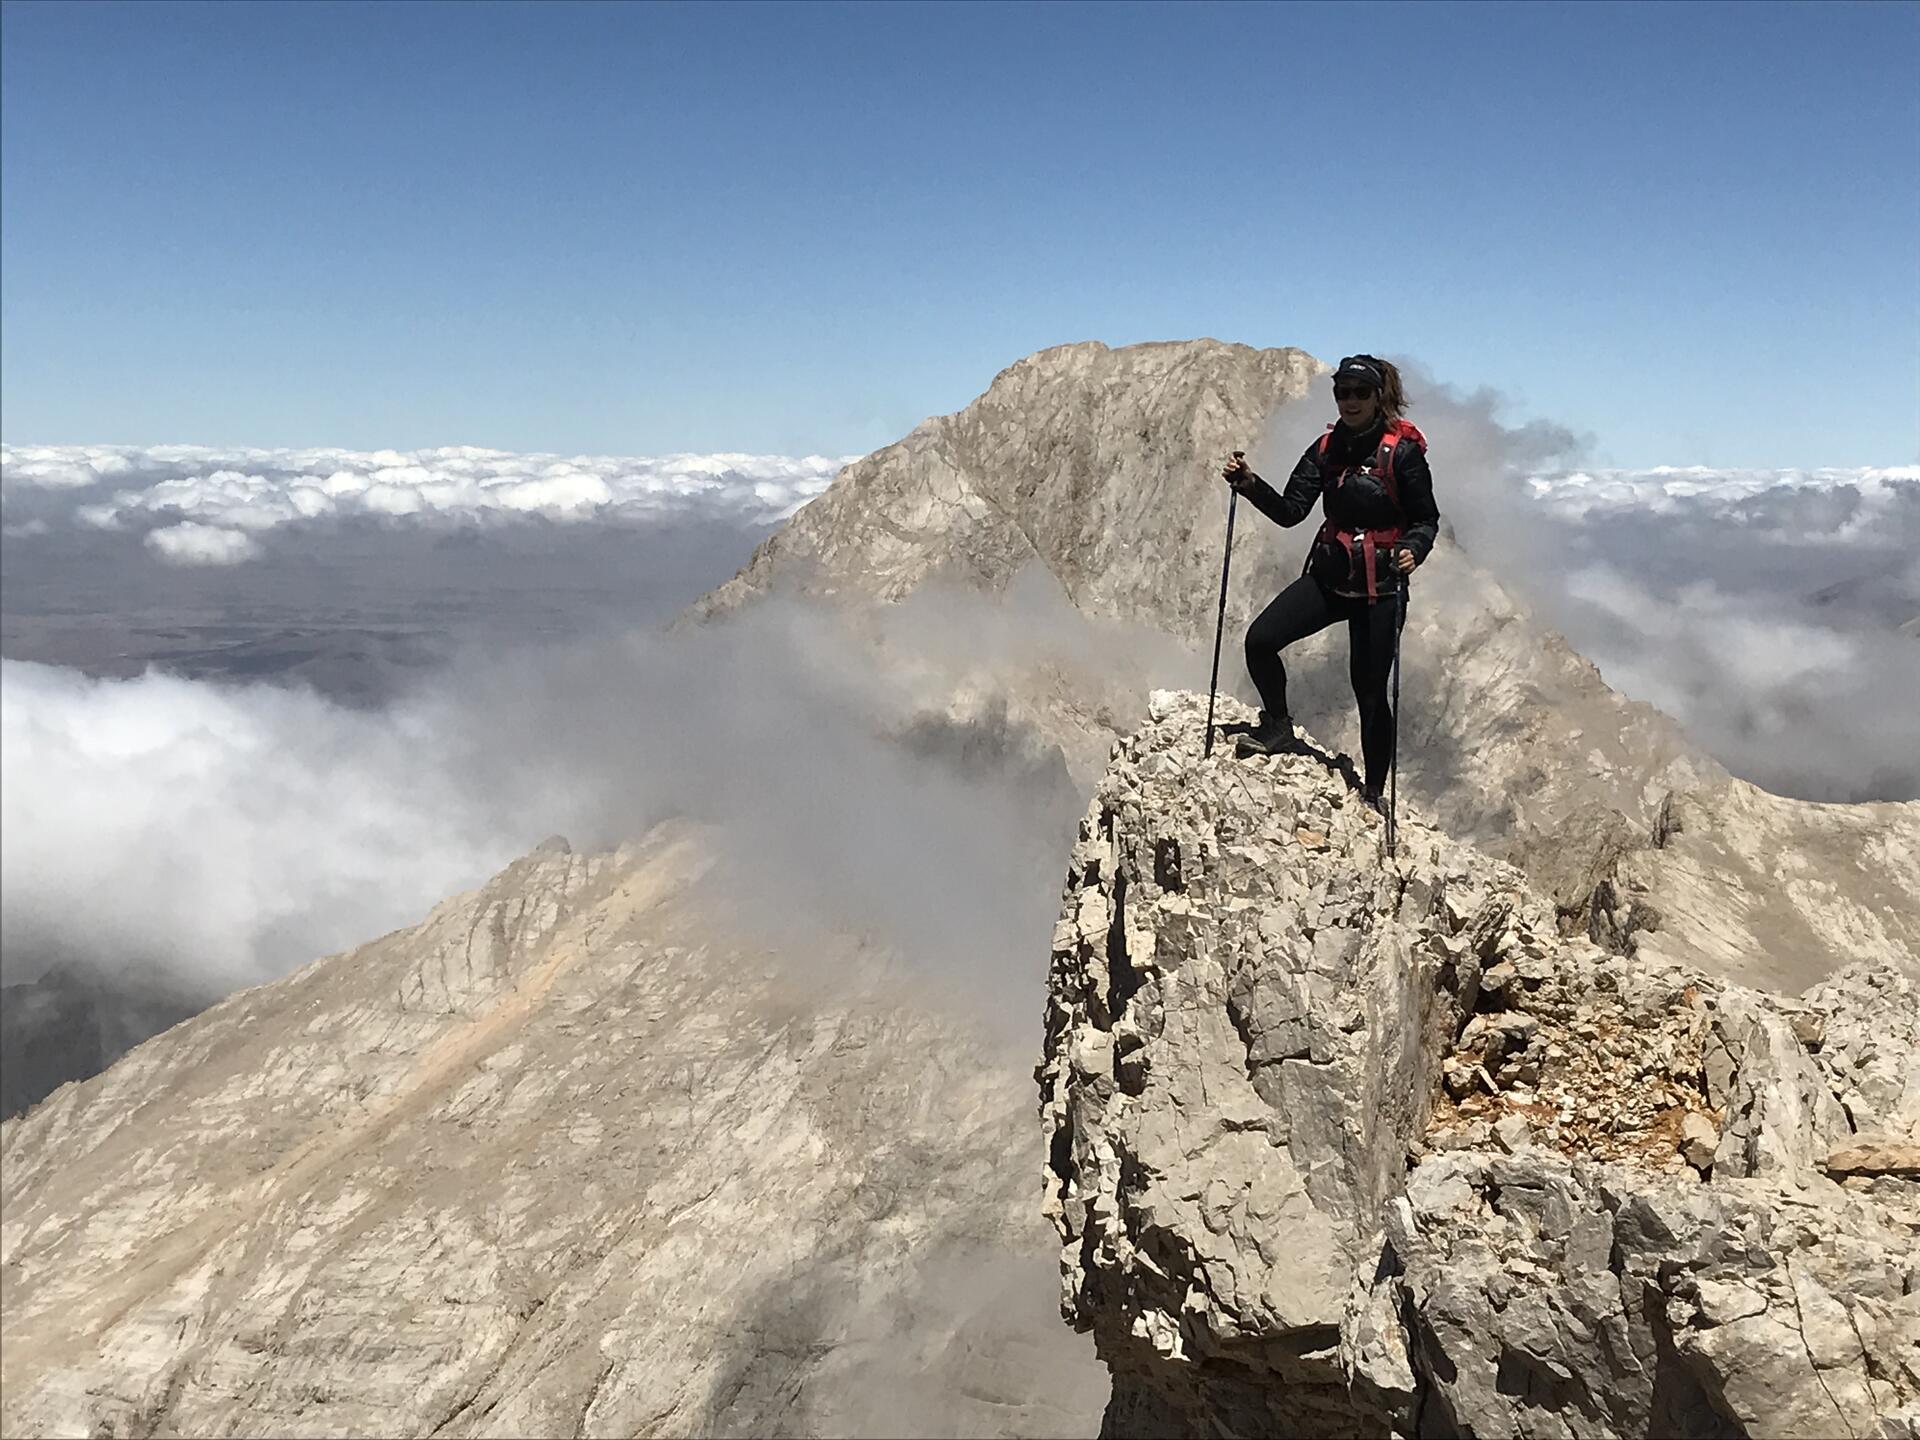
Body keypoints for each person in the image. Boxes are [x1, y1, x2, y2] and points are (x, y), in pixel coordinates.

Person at [1220, 355, 1439, 815]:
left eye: (1361, 392)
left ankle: (1374, 793)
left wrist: (1414, 549)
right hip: (1331, 577)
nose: (1351, 401)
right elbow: (1290, 511)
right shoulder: (1326, 449)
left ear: (1378, 396)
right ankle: (1278, 725)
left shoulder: (1402, 453)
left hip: (1381, 589)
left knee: (1370, 691)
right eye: (1343, 392)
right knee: (1261, 640)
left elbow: (1425, 518)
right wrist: (1249, 484)